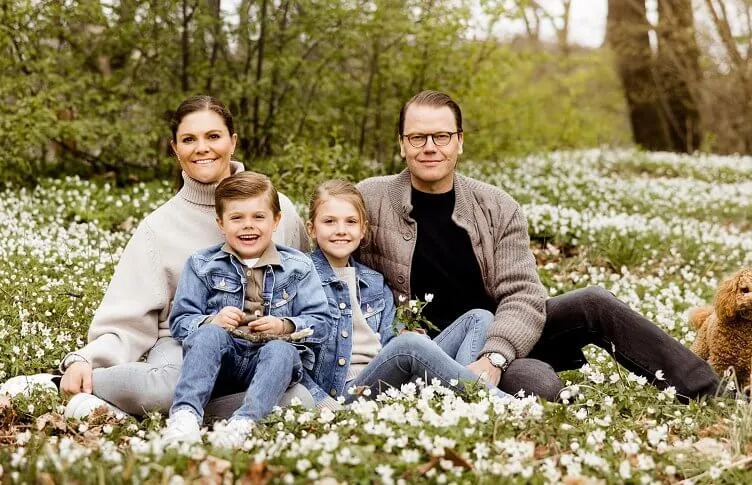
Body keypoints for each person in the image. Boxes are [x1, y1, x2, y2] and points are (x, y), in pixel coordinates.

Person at [356, 90, 721, 403]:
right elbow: (327, 258)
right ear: (402, 144)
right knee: (541, 385)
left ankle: (709, 391)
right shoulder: (369, 199)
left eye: (442, 136)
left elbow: (523, 293)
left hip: (503, 336)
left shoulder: (496, 205)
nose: (430, 148)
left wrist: (495, 355)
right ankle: (500, 384)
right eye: (418, 138)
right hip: (433, 349)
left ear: (460, 141)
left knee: (593, 301)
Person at [55, 95, 312, 418]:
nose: (202, 148)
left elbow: (307, 287)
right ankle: (64, 384)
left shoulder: (279, 210)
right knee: (171, 387)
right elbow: (126, 321)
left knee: (299, 400)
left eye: (213, 136)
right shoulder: (157, 228)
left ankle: (188, 414)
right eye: (189, 139)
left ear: (233, 141)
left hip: (258, 348)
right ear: (175, 149)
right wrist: (83, 360)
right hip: (181, 345)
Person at [161, 172, 329, 445]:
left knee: (280, 349)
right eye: (237, 218)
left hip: (271, 366)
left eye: (258, 217)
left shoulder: (298, 266)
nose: (248, 226)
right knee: (208, 335)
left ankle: (244, 424)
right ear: (221, 223)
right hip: (221, 364)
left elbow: (321, 322)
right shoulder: (202, 264)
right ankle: (185, 416)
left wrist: (284, 326)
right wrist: (211, 321)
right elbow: (180, 321)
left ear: (276, 221)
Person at [303, 180, 501, 409]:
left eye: (351, 222)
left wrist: (412, 340)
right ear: (311, 228)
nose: (341, 230)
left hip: (390, 381)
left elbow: (390, 340)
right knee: (409, 344)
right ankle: (496, 401)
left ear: (363, 229)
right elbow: (293, 358)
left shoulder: (373, 281)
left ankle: (460, 397)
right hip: (346, 392)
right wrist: (322, 404)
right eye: (329, 222)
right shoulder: (300, 278)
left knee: (479, 317)